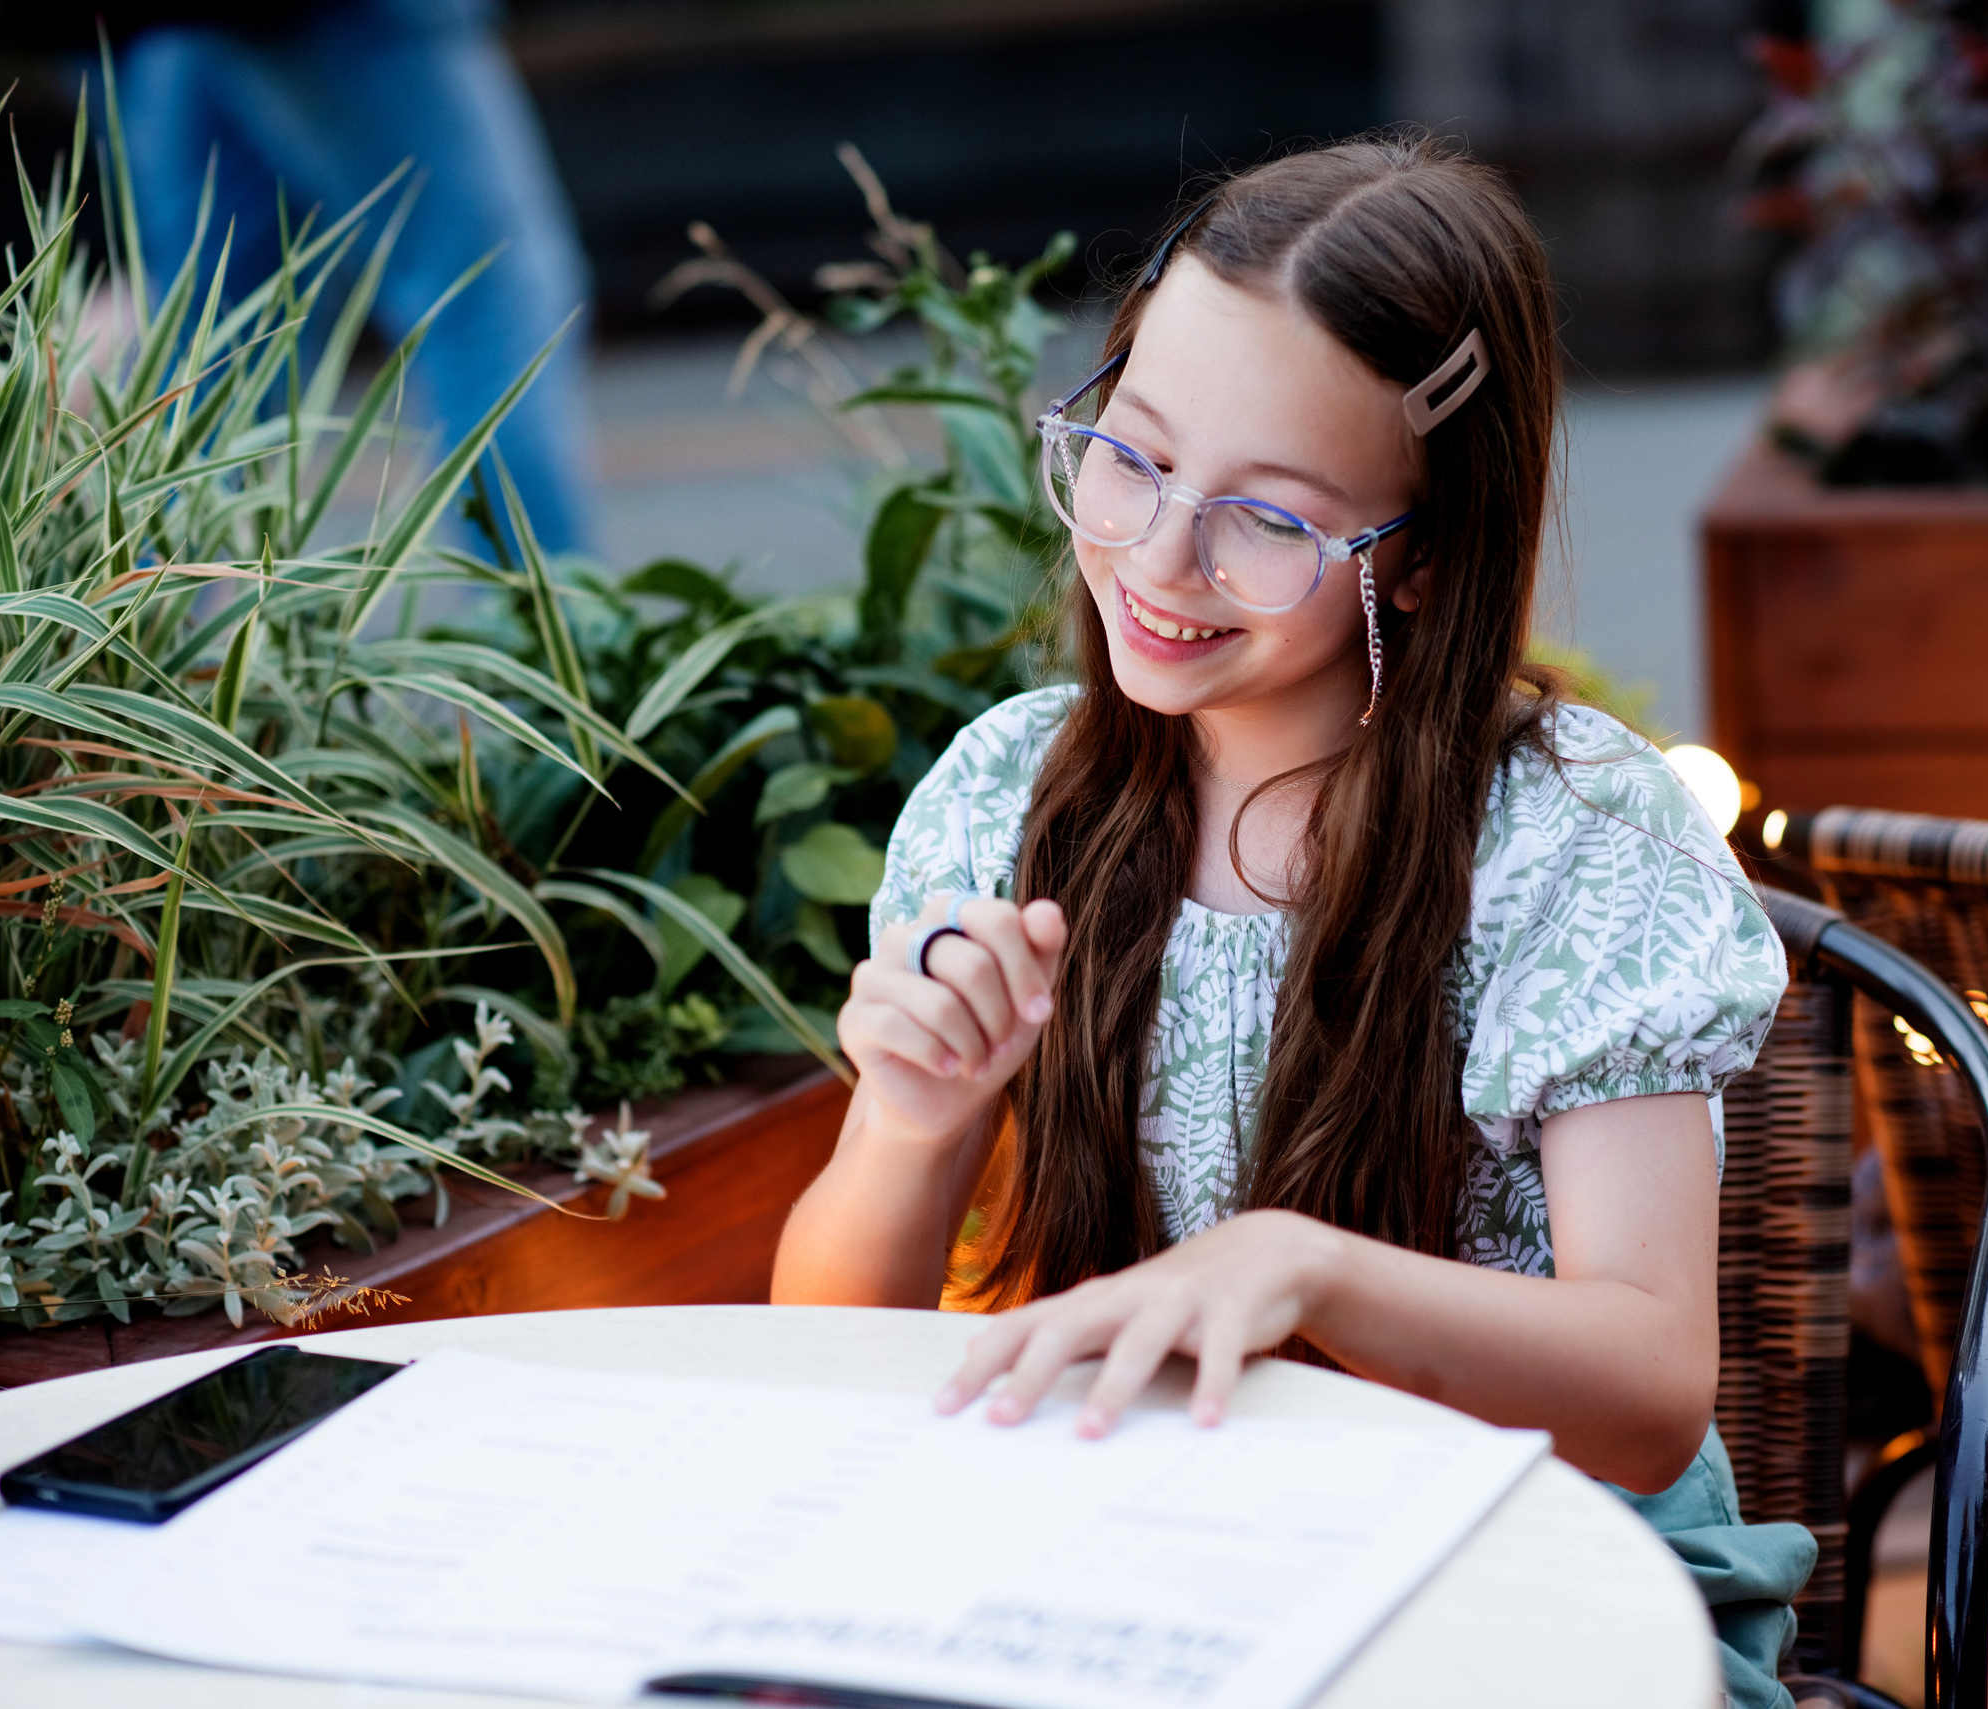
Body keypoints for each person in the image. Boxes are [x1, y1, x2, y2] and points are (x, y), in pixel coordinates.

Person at [771, 134, 1816, 1709]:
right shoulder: (1007, 796)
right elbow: (832, 1358)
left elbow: (1650, 1395)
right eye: (1131, 455)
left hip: (1538, 1591)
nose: (1160, 555)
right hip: (1156, 1573)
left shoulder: (1577, 845)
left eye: (1268, 518)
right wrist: (911, 1129)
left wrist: (1306, 1272)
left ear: (1426, 559)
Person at [110, 0, 596, 553]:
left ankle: (140, 594)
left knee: (222, 330)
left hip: (200, 28)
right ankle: (533, 597)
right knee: (487, 301)